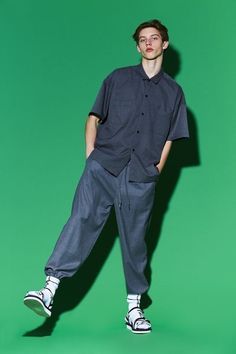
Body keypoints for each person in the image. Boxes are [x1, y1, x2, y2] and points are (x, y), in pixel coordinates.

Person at [24, 19, 189, 334]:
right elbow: (93, 117)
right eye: (143, 39)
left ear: (165, 44)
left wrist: (156, 170)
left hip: (141, 175)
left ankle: (134, 309)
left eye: (155, 38)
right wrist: (91, 159)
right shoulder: (117, 79)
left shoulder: (174, 92)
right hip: (104, 166)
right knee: (80, 221)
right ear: (138, 46)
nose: (149, 43)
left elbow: (171, 136)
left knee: (135, 242)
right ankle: (48, 290)